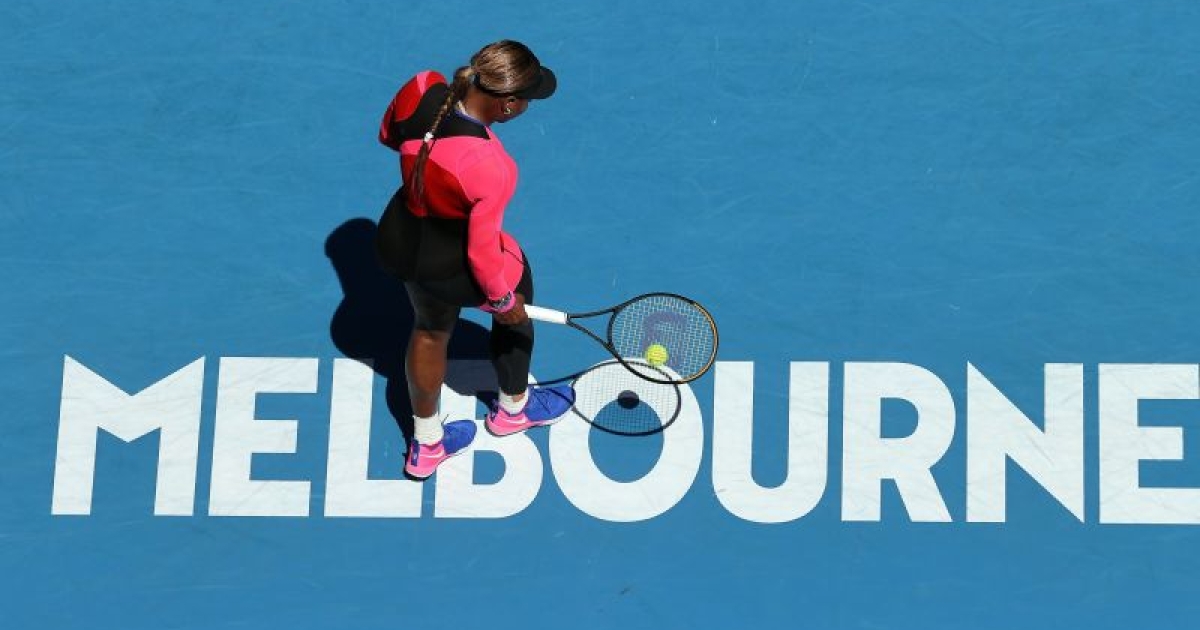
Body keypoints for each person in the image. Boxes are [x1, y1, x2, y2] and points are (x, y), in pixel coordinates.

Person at [375, 40, 575, 479]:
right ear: (507, 105)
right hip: (451, 260)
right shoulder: (491, 166)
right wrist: (503, 303)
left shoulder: (422, 88)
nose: (528, 106)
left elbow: (388, 135)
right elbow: (481, 252)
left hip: (403, 242)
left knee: (429, 331)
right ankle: (513, 411)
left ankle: (427, 445)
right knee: (517, 288)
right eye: (528, 99)